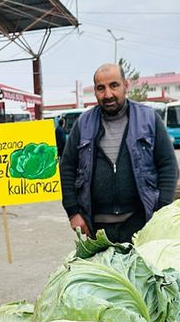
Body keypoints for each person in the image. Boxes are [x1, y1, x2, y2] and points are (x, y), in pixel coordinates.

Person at [59, 63, 178, 243]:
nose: (108, 94)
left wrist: (161, 212)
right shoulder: (83, 123)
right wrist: (73, 212)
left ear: (125, 85)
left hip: (142, 222)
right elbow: (66, 167)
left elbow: (168, 166)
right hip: (97, 228)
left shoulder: (148, 118)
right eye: (101, 88)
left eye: (114, 85)